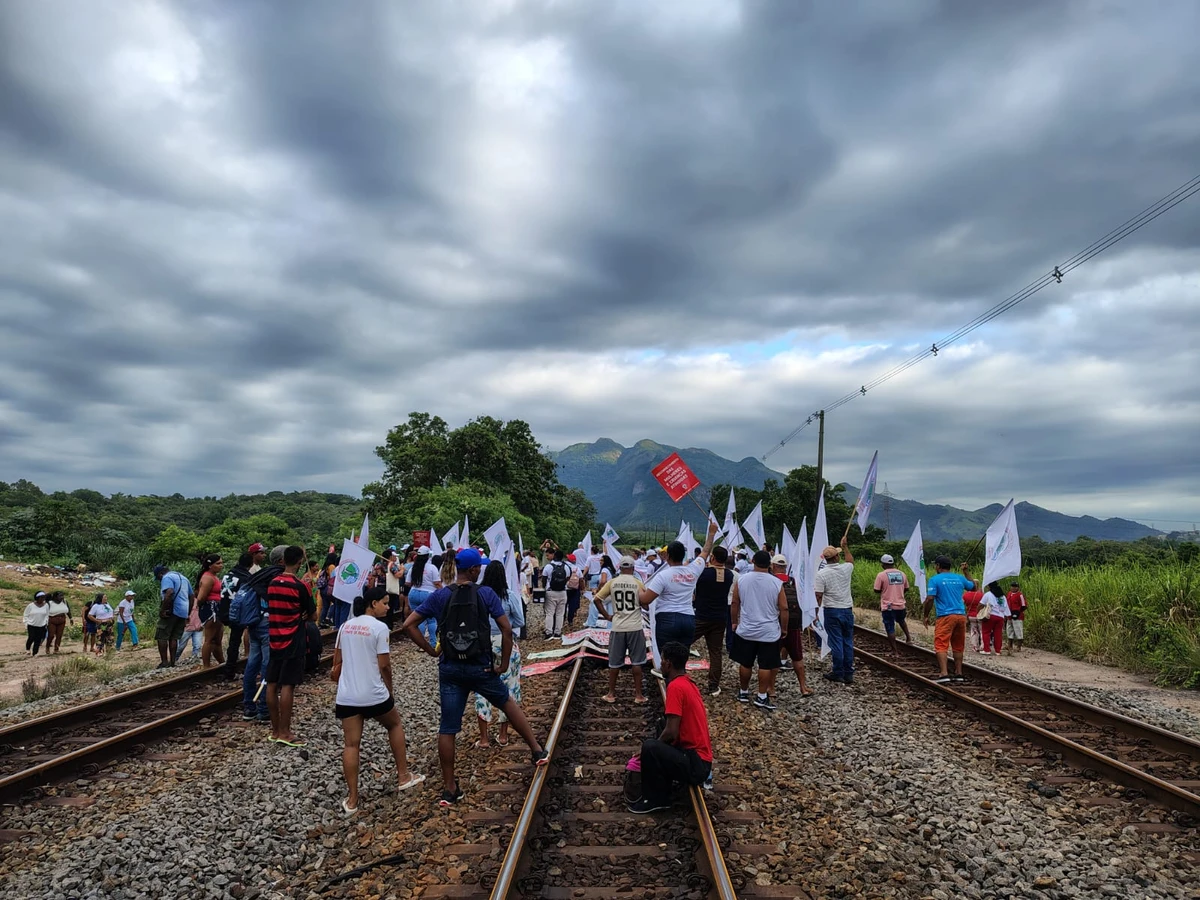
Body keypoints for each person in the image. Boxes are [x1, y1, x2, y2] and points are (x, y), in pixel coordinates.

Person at [402, 547, 549, 807]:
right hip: (481, 667)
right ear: (472, 570)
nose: (480, 569)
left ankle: (450, 789)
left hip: (450, 669)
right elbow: (506, 628)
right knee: (506, 702)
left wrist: (430, 651)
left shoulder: (439, 595)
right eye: (478, 566)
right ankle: (537, 751)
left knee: (448, 727)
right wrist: (502, 664)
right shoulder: (486, 594)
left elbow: (408, 625)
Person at [332, 585, 425, 813]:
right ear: (373, 604)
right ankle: (403, 776)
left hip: (347, 695)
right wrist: (390, 691)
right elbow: (384, 665)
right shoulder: (379, 628)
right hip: (373, 693)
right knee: (394, 724)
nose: (387, 606)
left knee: (351, 744)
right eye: (384, 602)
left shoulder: (345, 627)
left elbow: (336, 665)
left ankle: (352, 800)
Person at [628, 641, 713, 814]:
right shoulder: (688, 682)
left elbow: (672, 732)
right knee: (661, 725)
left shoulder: (675, 687)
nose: (661, 664)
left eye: (663, 660)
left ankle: (655, 799)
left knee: (651, 747)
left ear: (669, 664)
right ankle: (664, 786)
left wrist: (651, 750)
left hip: (696, 764)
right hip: (701, 760)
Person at [639, 520, 719, 650]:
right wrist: (711, 534)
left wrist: (638, 589)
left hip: (667, 619)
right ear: (684, 556)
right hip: (688, 619)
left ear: (668, 556)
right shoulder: (693, 570)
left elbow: (646, 599)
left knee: (667, 657)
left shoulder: (663, 576)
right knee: (681, 656)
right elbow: (705, 552)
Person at [265, 546, 317, 747]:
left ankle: (275, 729)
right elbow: (312, 615)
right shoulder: (300, 586)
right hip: (293, 639)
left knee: (271, 683)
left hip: (274, 638)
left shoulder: (272, 583)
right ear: (299, 562)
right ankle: (285, 732)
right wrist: (303, 614)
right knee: (287, 685)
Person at [474, 561, 527, 748]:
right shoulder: (510, 595)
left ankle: (484, 738)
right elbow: (520, 620)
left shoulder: (478, 595)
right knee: (509, 687)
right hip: (505, 642)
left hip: (481, 643)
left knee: (481, 688)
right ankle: (503, 735)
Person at [730, 550, 788, 710]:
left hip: (747, 629)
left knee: (745, 663)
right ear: (770, 564)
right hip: (769, 632)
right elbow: (784, 608)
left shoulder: (742, 580)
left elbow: (735, 603)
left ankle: (743, 692)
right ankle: (762, 696)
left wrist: (734, 622)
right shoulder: (776, 583)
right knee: (765, 665)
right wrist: (784, 628)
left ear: (753, 561)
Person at [593, 556, 648, 704]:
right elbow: (646, 604)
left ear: (620, 568)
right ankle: (638, 695)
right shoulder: (638, 583)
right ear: (633, 568)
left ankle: (611, 694)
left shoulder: (612, 582)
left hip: (617, 627)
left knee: (614, 663)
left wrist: (607, 616)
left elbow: (597, 599)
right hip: (635, 627)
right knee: (637, 662)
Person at [923, 556, 976, 684]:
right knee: (958, 645)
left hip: (945, 616)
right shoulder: (959, 578)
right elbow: (973, 587)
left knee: (941, 644)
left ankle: (944, 674)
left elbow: (930, 598)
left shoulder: (934, 580)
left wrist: (925, 615)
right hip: (961, 616)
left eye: (935, 565)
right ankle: (959, 673)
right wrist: (966, 571)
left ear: (938, 566)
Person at [691, 546, 733, 696]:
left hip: (702, 616)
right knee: (715, 652)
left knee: (682, 643)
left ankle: (673, 671)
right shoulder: (729, 575)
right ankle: (713, 685)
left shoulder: (704, 573)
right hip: (720, 617)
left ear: (713, 557)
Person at [814, 537, 855, 684]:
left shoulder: (821, 574)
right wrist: (845, 547)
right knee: (848, 642)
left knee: (836, 642)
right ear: (837, 557)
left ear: (825, 559)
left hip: (831, 610)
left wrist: (815, 613)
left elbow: (818, 595)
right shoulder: (846, 568)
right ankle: (849, 673)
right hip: (847, 610)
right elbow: (850, 561)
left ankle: (838, 672)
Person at [772, 554, 812, 697]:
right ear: (785, 567)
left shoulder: (772, 581)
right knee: (797, 657)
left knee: (773, 658)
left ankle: (771, 690)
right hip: (794, 625)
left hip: (775, 625)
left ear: (773, 566)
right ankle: (803, 687)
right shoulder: (793, 581)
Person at [154, 564, 192, 669]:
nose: (159, 580)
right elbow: (192, 597)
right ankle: (172, 663)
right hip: (183, 612)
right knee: (174, 637)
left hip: (171, 611)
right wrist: (188, 613)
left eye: (158, 578)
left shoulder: (167, 577)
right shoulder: (184, 578)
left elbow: (169, 592)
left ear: (161, 574)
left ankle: (164, 662)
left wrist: (162, 610)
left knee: (162, 636)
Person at [873, 554, 912, 653]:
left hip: (888, 606)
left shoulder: (881, 575)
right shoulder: (902, 574)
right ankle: (909, 638)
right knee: (902, 621)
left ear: (883, 564)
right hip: (901, 605)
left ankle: (894, 650)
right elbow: (907, 588)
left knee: (890, 627)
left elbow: (876, 590)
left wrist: (886, 590)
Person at [404, 547, 441, 647]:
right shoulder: (432, 567)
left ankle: (421, 644)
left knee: (418, 620)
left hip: (414, 593)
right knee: (431, 620)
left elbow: (407, 583)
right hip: (428, 595)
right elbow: (437, 583)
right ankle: (433, 643)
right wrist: (442, 591)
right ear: (428, 556)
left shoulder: (413, 568)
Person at [195, 554, 226, 668]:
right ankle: (206, 666)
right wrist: (203, 608)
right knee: (209, 639)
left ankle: (222, 663)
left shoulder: (214, 576)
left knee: (217, 639)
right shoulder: (208, 577)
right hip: (211, 610)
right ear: (210, 565)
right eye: (218, 563)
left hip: (216, 609)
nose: (221, 566)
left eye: (221, 563)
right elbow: (201, 597)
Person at [541, 549, 570, 638]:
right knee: (560, 613)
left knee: (549, 613)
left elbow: (544, 579)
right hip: (562, 592)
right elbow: (568, 578)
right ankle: (558, 632)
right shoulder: (566, 567)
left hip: (551, 592)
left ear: (554, 556)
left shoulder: (548, 567)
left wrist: (544, 588)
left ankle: (549, 632)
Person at [980, 583, 1010, 655]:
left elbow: (981, 604)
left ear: (989, 586)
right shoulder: (1003, 596)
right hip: (1000, 617)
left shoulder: (988, 594)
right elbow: (1006, 608)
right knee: (998, 634)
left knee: (986, 632)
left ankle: (987, 650)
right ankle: (997, 651)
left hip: (991, 616)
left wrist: (979, 612)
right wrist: (1006, 616)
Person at [23, 592, 49, 656]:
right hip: (31, 625)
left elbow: (47, 615)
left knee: (38, 639)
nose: (43, 599)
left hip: (41, 625)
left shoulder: (46, 605)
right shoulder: (31, 605)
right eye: (41, 597)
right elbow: (25, 615)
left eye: (44, 597)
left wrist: (46, 622)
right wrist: (26, 623)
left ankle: (35, 652)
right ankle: (28, 649)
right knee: (31, 637)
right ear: (37, 598)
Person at [1005, 581, 1027, 653]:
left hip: (1017, 616)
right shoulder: (1009, 594)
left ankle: (1019, 646)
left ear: (1018, 587)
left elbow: (1024, 605)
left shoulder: (1020, 595)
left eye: (1015, 587)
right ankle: (1010, 645)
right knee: (1009, 630)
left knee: (1018, 630)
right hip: (1009, 615)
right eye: (1012, 586)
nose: (1014, 588)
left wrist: (1018, 612)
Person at [963, 585, 985, 653]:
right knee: (982, 631)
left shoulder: (965, 595)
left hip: (971, 615)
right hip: (980, 615)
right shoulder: (981, 595)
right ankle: (983, 646)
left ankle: (975, 647)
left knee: (974, 631)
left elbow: (962, 604)